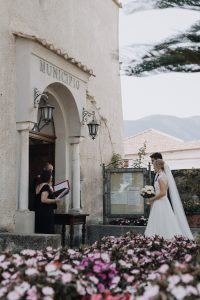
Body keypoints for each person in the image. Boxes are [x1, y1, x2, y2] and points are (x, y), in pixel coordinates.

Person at [145, 159, 194, 240]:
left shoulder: (161, 177)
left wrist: (151, 199)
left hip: (161, 202)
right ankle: (159, 238)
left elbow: (163, 193)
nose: (153, 168)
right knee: (161, 220)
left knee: (162, 220)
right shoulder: (160, 175)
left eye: (154, 166)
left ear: (158, 166)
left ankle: (162, 238)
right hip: (160, 202)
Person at [35, 169, 61, 234]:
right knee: (47, 231)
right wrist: (55, 200)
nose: (52, 177)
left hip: (39, 212)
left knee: (40, 231)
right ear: (48, 177)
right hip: (46, 213)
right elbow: (43, 199)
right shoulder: (46, 186)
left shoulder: (38, 186)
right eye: (51, 175)